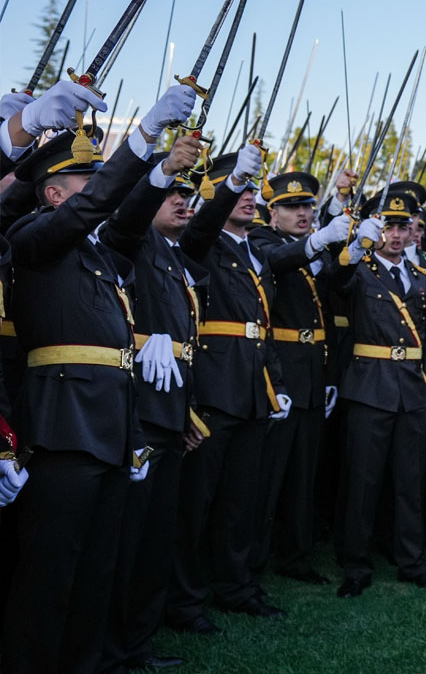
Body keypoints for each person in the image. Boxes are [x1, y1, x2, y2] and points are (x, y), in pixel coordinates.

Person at [3, 83, 195, 674]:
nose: (99, 193)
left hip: (110, 428)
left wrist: (158, 167)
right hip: (63, 427)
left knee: (96, 571)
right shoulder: (34, 237)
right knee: (51, 573)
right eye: (86, 183)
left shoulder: (96, 252)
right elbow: (98, 206)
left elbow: (128, 217)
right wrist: (138, 141)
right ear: (55, 193)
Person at [168, 144, 291, 633]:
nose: (247, 198)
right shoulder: (199, 241)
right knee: (197, 505)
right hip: (214, 390)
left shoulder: (255, 251)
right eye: (232, 189)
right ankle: (184, 600)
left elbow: (263, 326)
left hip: (252, 388)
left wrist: (275, 383)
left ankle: (236, 586)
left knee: (242, 502)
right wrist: (229, 184)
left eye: (248, 188)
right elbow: (199, 229)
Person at [98, 135, 208, 673]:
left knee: (155, 539)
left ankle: (136, 645)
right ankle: (114, 648)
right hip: (136, 413)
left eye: (188, 195)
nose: (183, 202)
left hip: (168, 414)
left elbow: (179, 346)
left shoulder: (172, 256)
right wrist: (157, 171)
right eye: (172, 196)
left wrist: (183, 412)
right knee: (128, 540)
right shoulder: (132, 241)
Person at [334, 187, 426, 597]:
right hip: (370, 386)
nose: (396, 234)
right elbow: (336, 278)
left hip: (411, 390)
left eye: (403, 226)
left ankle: (412, 563)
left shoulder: (421, 278)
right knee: (363, 483)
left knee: (410, 482)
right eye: (388, 226)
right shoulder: (360, 268)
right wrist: (355, 242)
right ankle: (356, 567)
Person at [250, 172, 348, 586]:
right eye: (292, 207)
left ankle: (296, 555)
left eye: (307, 206)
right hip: (279, 372)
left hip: (310, 369)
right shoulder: (262, 241)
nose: (303, 213)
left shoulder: (314, 249)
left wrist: (351, 248)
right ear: (272, 214)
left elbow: (332, 289)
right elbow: (281, 261)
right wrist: (320, 240)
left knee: (303, 475)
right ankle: (252, 561)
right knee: (268, 476)